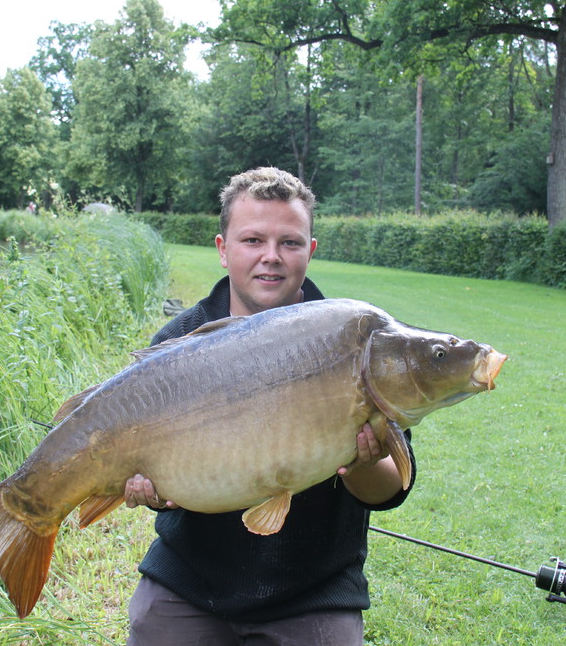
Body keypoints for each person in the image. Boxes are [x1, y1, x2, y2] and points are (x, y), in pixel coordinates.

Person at [123, 167, 416, 645]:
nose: (271, 258)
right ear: (222, 249)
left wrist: (364, 461)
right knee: (150, 624)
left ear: (311, 251)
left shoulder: (358, 339)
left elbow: (391, 490)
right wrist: (147, 489)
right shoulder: (178, 342)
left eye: (290, 243)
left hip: (312, 586)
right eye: (253, 240)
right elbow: (154, 491)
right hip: (191, 576)